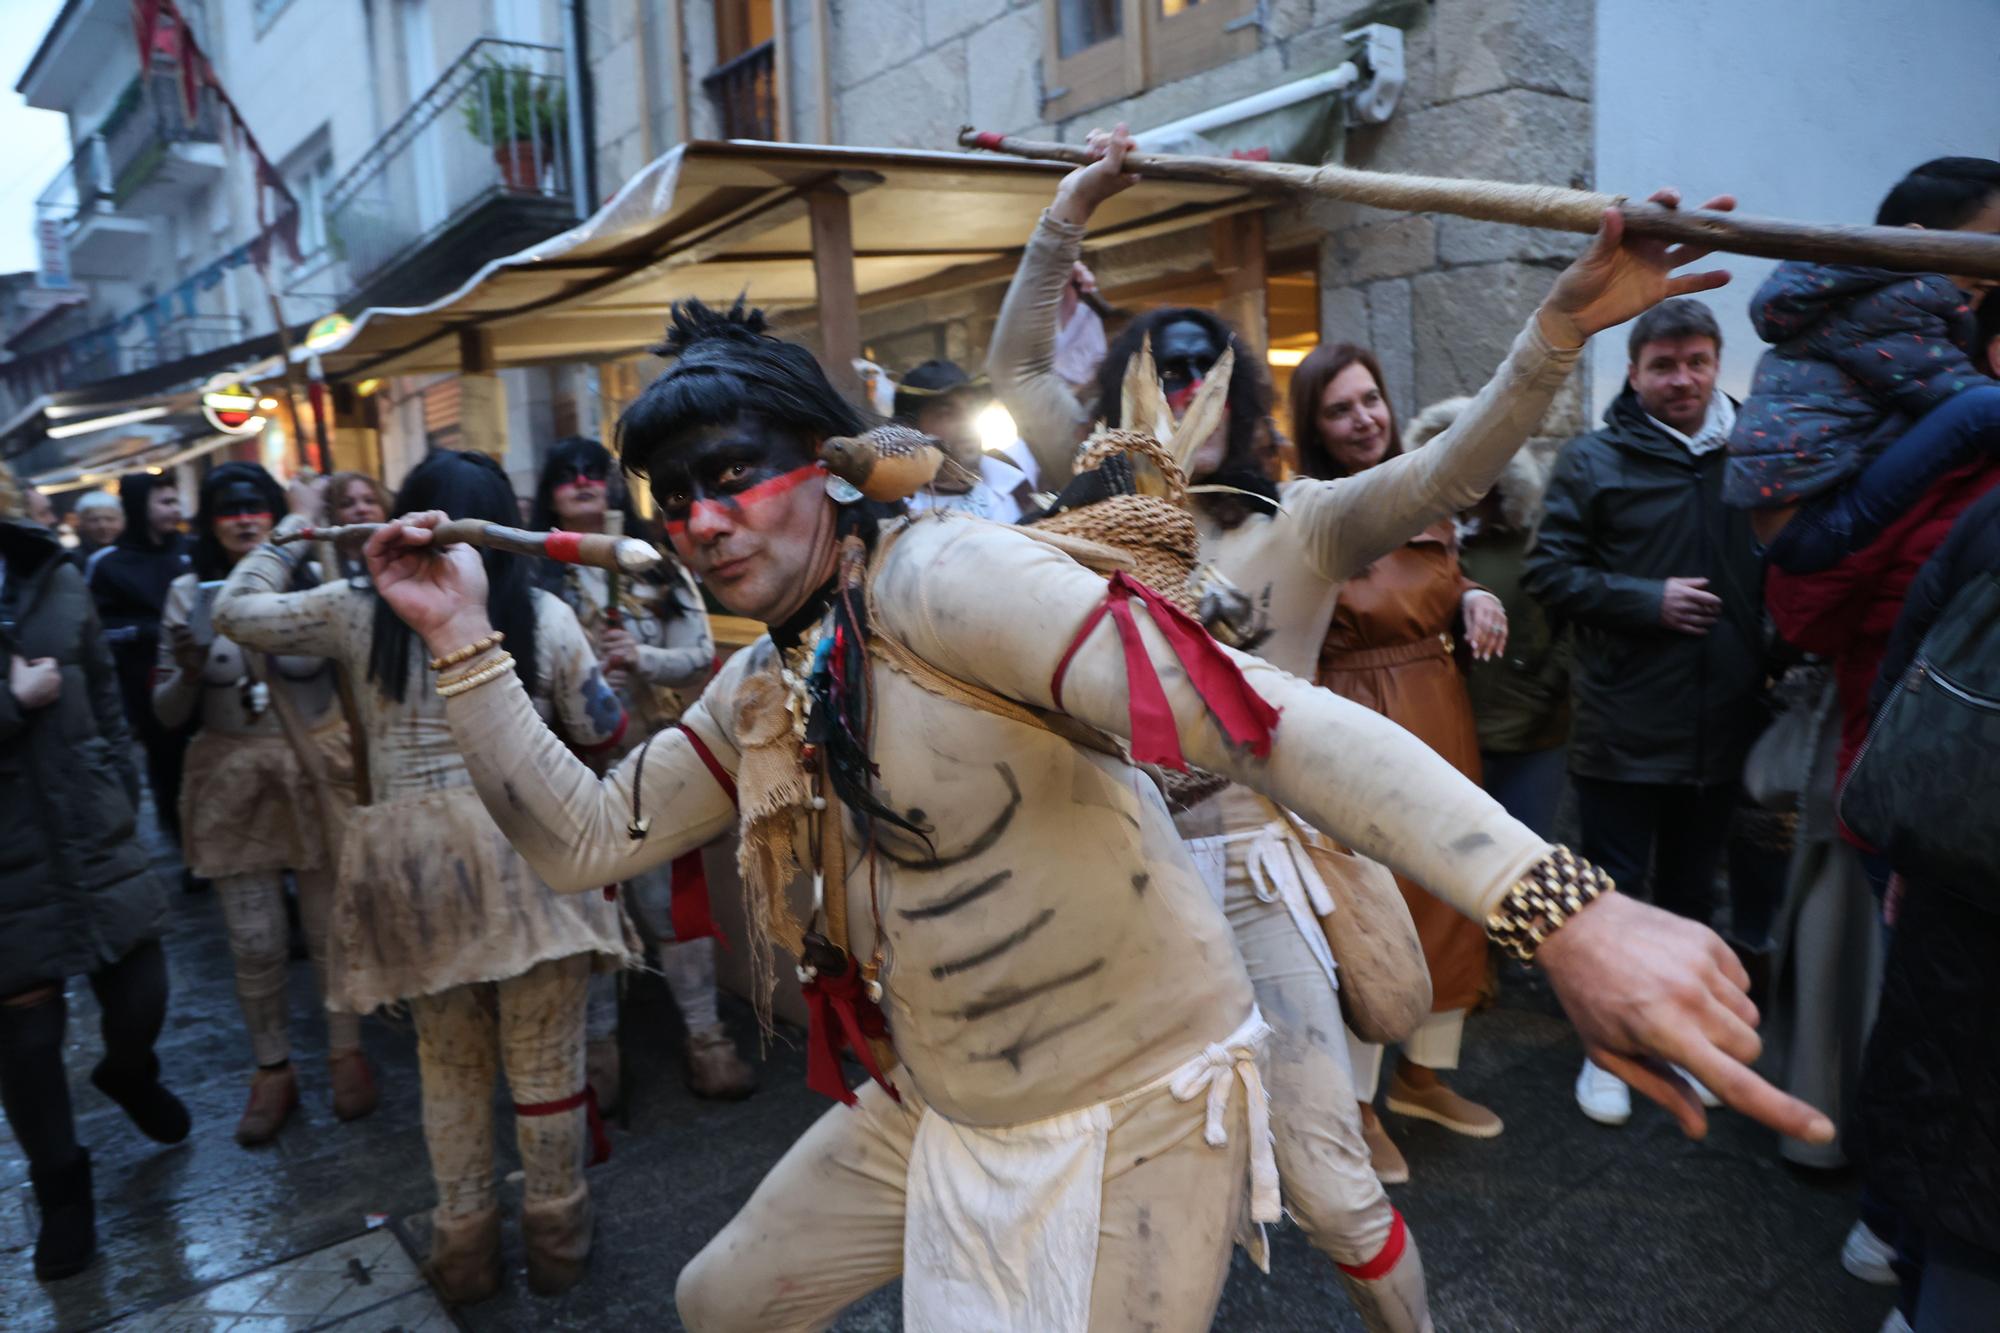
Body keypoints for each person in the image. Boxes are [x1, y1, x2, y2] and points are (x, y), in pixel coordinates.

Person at [367, 294, 1830, 1333]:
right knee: (720, 1299)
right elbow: (583, 837)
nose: (696, 519)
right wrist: (458, 641)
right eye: (670, 494)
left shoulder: (945, 580)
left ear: (827, 470)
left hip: (1142, 1102)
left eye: (730, 476)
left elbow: (1263, 722)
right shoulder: (768, 686)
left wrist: (1562, 904)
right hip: (940, 1103)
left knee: (1335, 1194)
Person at [990, 124, 1739, 1327]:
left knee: (1333, 1184)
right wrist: (1066, 211)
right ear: (1118, 396)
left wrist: (1555, 332)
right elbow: (1017, 364)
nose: (1179, 392)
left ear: (1238, 398)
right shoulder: (1088, 502)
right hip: (1103, 856)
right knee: (1094, 1153)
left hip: (1249, 864)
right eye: (1156, 371)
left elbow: (1451, 466)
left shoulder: (1306, 525)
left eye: (1201, 370)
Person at [213, 448, 637, 1302]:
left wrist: (293, 532)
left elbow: (234, 610)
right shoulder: (545, 613)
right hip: (532, 850)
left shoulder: (353, 608)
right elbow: (607, 725)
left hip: (411, 867)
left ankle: (465, 1250)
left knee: (447, 1068)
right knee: (547, 1070)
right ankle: (558, 1239)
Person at [1524, 297, 1767, 1128]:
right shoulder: (1593, 462)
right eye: (1664, 365)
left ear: (1716, 362)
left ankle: (1681, 1040)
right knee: (1615, 904)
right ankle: (1605, 1053)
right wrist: (1645, 598)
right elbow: (1548, 573)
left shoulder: (1751, 450)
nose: (1682, 379)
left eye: (1697, 361)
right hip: (1624, 726)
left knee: (1698, 900)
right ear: (1633, 374)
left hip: (1725, 724)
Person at [1283, 344, 1514, 1172]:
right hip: (1355, 723)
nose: (1363, 419)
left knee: (1450, 896)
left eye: (1371, 400)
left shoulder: (1424, 491)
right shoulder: (1307, 510)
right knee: (1367, 916)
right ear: (1313, 424)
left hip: (1440, 711)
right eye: (1340, 408)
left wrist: (1476, 593)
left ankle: (1423, 1075)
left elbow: (1441, 586)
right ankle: (1354, 1108)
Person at [0, 461, 189, 1282]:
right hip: (6, 855)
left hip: (91, 820)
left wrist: (118, 777)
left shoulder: (53, 569)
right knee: (28, 1042)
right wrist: (13, 704)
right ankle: (62, 1189)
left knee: (143, 983)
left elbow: (107, 696)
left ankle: (127, 1069)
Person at [153, 463, 375, 1144]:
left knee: (330, 926)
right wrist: (188, 671)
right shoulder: (188, 593)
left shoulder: (323, 580)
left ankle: (347, 1053)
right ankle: (271, 1070)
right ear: (210, 521)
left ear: (275, 514)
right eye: (228, 509)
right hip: (232, 775)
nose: (243, 519)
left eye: (256, 507)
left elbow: (360, 686)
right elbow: (163, 714)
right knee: (254, 940)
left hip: (319, 766)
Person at [529, 436, 753, 1104]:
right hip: (566, 766)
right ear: (549, 490)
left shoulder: (657, 563)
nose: (581, 482)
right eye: (566, 474)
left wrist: (640, 660)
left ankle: (705, 1038)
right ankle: (599, 1057)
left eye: (594, 472)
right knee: (590, 913)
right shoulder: (532, 574)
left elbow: (699, 655)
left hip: (653, 758)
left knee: (670, 908)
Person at [1850, 483, 2000, 1331]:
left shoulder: (1986, 506)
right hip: (1960, 887)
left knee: (1940, 1115)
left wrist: (1906, 841)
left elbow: (1914, 657)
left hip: (1952, 867)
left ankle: (1900, 1265)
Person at [1727, 157, 2000, 575]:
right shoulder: (1900, 304)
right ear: (1916, 242)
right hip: (1814, 526)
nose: (1994, 270)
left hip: (1803, 518)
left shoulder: (1856, 289)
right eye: (1992, 244)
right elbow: (1953, 394)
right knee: (1982, 409)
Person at [1406, 397, 1572, 840]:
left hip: (1530, 738)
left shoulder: (1532, 536)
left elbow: (1569, 618)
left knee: (1525, 866)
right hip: (1446, 735)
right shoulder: (1416, 540)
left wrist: (1543, 689)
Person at [88, 473, 193, 854]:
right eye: (164, 502)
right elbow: (100, 630)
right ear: (139, 507)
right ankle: (186, 848)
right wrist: (153, 631)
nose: (175, 510)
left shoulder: (193, 550)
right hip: (149, 684)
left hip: (203, 676)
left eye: (175, 500)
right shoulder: (109, 566)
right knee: (169, 767)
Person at [891, 359, 1034, 521]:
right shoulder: (898, 509)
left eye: (971, 410)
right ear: (911, 428)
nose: (966, 422)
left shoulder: (1013, 478)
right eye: (947, 414)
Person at [71, 491, 124, 563]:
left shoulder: (137, 553)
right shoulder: (74, 559)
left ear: (122, 521)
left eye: (110, 519)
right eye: (94, 520)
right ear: (82, 524)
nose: (103, 526)